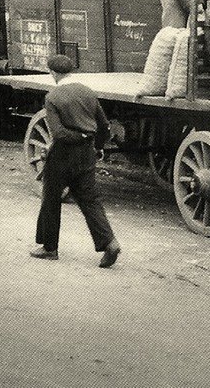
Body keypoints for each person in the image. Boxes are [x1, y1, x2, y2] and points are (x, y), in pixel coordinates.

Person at [30, 53, 121, 268]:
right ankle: (110, 243)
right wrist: (96, 145)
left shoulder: (53, 97)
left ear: (52, 73)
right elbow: (104, 127)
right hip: (86, 154)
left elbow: (59, 133)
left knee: (51, 198)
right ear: (71, 71)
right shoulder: (88, 92)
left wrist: (78, 136)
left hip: (62, 155)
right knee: (90, 200)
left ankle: (49, 248)